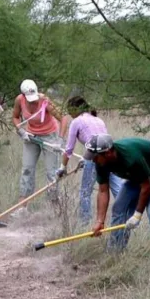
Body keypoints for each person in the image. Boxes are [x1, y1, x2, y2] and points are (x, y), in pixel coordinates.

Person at [87, 134, 150, 263]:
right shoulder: (101, 163)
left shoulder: (131, 158)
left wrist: (137, 215)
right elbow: (103, 191)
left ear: (108, 152)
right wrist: (100, 221)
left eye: (95, 157)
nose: (93, 160)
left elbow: (146, 186)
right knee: (119, 208)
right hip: (138, 176)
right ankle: (115, 253)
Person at [56, 96, 124, 224]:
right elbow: (100, 141)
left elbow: (69, 149)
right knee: (119, 190)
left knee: (85, 192)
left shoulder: (76, 122)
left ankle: (84, 222)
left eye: (70, 110)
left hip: (95, 158)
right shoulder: (98, 120)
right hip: (110, 155)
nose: (70, 114)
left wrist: (62, 167)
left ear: (76, 109)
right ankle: (125, 215)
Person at [12, 79, 63, 206]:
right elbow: (15, 117)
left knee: (52, 172)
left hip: (49, 136)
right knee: (27, 170)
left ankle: (54, 205)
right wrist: (21, 131)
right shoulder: (19, 100)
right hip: (31, 136)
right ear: (23, 95)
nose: (32, 100)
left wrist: (60, 141)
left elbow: (63, 118)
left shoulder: (45, 100)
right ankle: (22, 206)